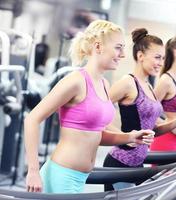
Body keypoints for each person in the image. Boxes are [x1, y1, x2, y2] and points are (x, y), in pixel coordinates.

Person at [24, 20, 155, 194]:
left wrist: (129, 137)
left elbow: (95, 135)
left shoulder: (104, 84)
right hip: (62, 175)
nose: (123, 54)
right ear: (98, 46)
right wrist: (33, 171)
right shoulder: (76, 81)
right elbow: (32, 119)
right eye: (118, 47)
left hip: (80, 178)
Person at [103, 28, 176, 191]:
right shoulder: (128, 83)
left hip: (137, 165)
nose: (160, 63)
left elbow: (153, 130)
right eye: (157, 57)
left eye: (163, 58)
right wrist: (123, 136)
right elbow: (96, 111)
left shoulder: (149, 87)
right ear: (140, 56)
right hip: (119, 163)